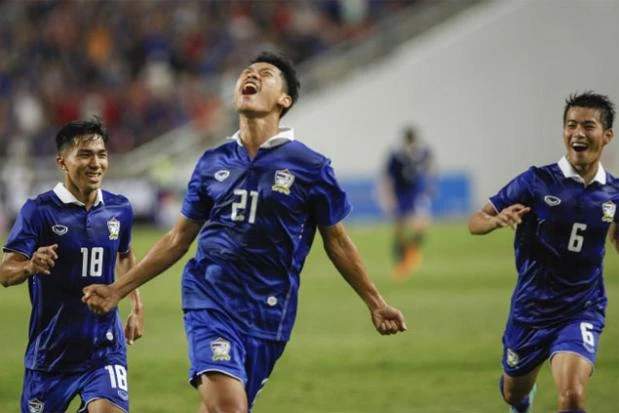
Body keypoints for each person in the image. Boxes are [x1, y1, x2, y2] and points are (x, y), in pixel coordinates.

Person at [82, 51, 407, 413]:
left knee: (223, 408)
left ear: (284, 100)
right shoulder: (212, 162)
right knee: (229, 407)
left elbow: (338, 242)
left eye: (265, 74)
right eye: (247, 72)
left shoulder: (310, 167)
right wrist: (117, 290)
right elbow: (177, 239)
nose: (251, 76)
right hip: (210, 299)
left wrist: (376, 303)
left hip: (269, 315)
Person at [468, 92, 618, 413]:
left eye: (587, 126)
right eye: (571, 125)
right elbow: (475, 220)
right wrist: (495, 221)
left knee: (572, 395)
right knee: (513, 393)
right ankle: (521, 401)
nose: (577, 133)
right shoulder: (536, 181)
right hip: (532, 309)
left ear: (607, 135)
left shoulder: (614, 193)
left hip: (582, 307)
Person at [0, 118, 144, 413]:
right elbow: (5, 272)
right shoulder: (38, 211)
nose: (96, 163)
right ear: (62, 162)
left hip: (104, 350)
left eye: (101, 154)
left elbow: (124, 255)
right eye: (85, 155)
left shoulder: (119, 209)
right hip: (51, 355)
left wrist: (136, 306)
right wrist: (29, 266)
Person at [380, 125, 435, 280]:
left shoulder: (423, 152)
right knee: (399, 230)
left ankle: (411, 252)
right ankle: (399, 262)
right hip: (400, 194)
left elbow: (429, 167)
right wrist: (389, 198)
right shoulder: (397, 155)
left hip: (416, 193)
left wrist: (430, 185)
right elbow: (388, 177)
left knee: (422, 226)